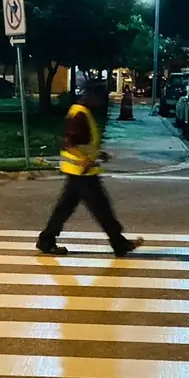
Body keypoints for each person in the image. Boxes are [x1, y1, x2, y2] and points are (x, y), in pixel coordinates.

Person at [36, 82, 143, 257]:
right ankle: (118, 243)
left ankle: (47, 240)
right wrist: (86, 160)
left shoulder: (81, 111)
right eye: (100, 97)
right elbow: (70, 143)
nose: (101, 101)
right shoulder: (79, 113)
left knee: (65, 209)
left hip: (78, 171)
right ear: (90, 96)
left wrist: (97, 153)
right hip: (82, 171)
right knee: (102, 209)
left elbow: (83, 141)